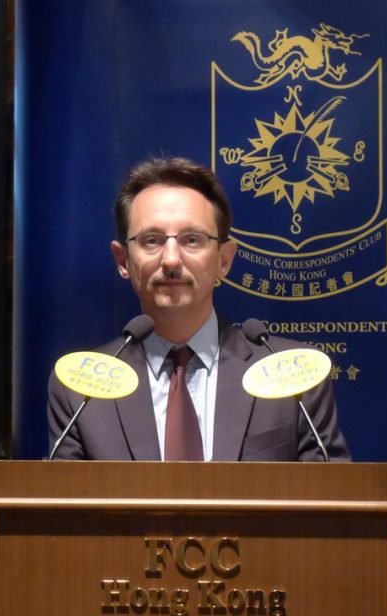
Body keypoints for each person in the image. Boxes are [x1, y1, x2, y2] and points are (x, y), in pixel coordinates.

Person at [47, 156, 350, 461]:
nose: (171, 260)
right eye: (151, 240)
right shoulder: (82, 391)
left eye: (192, 240)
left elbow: (330, 501)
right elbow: (65, 505)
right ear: (123, 260)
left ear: (224, 260)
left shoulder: (294, 382)